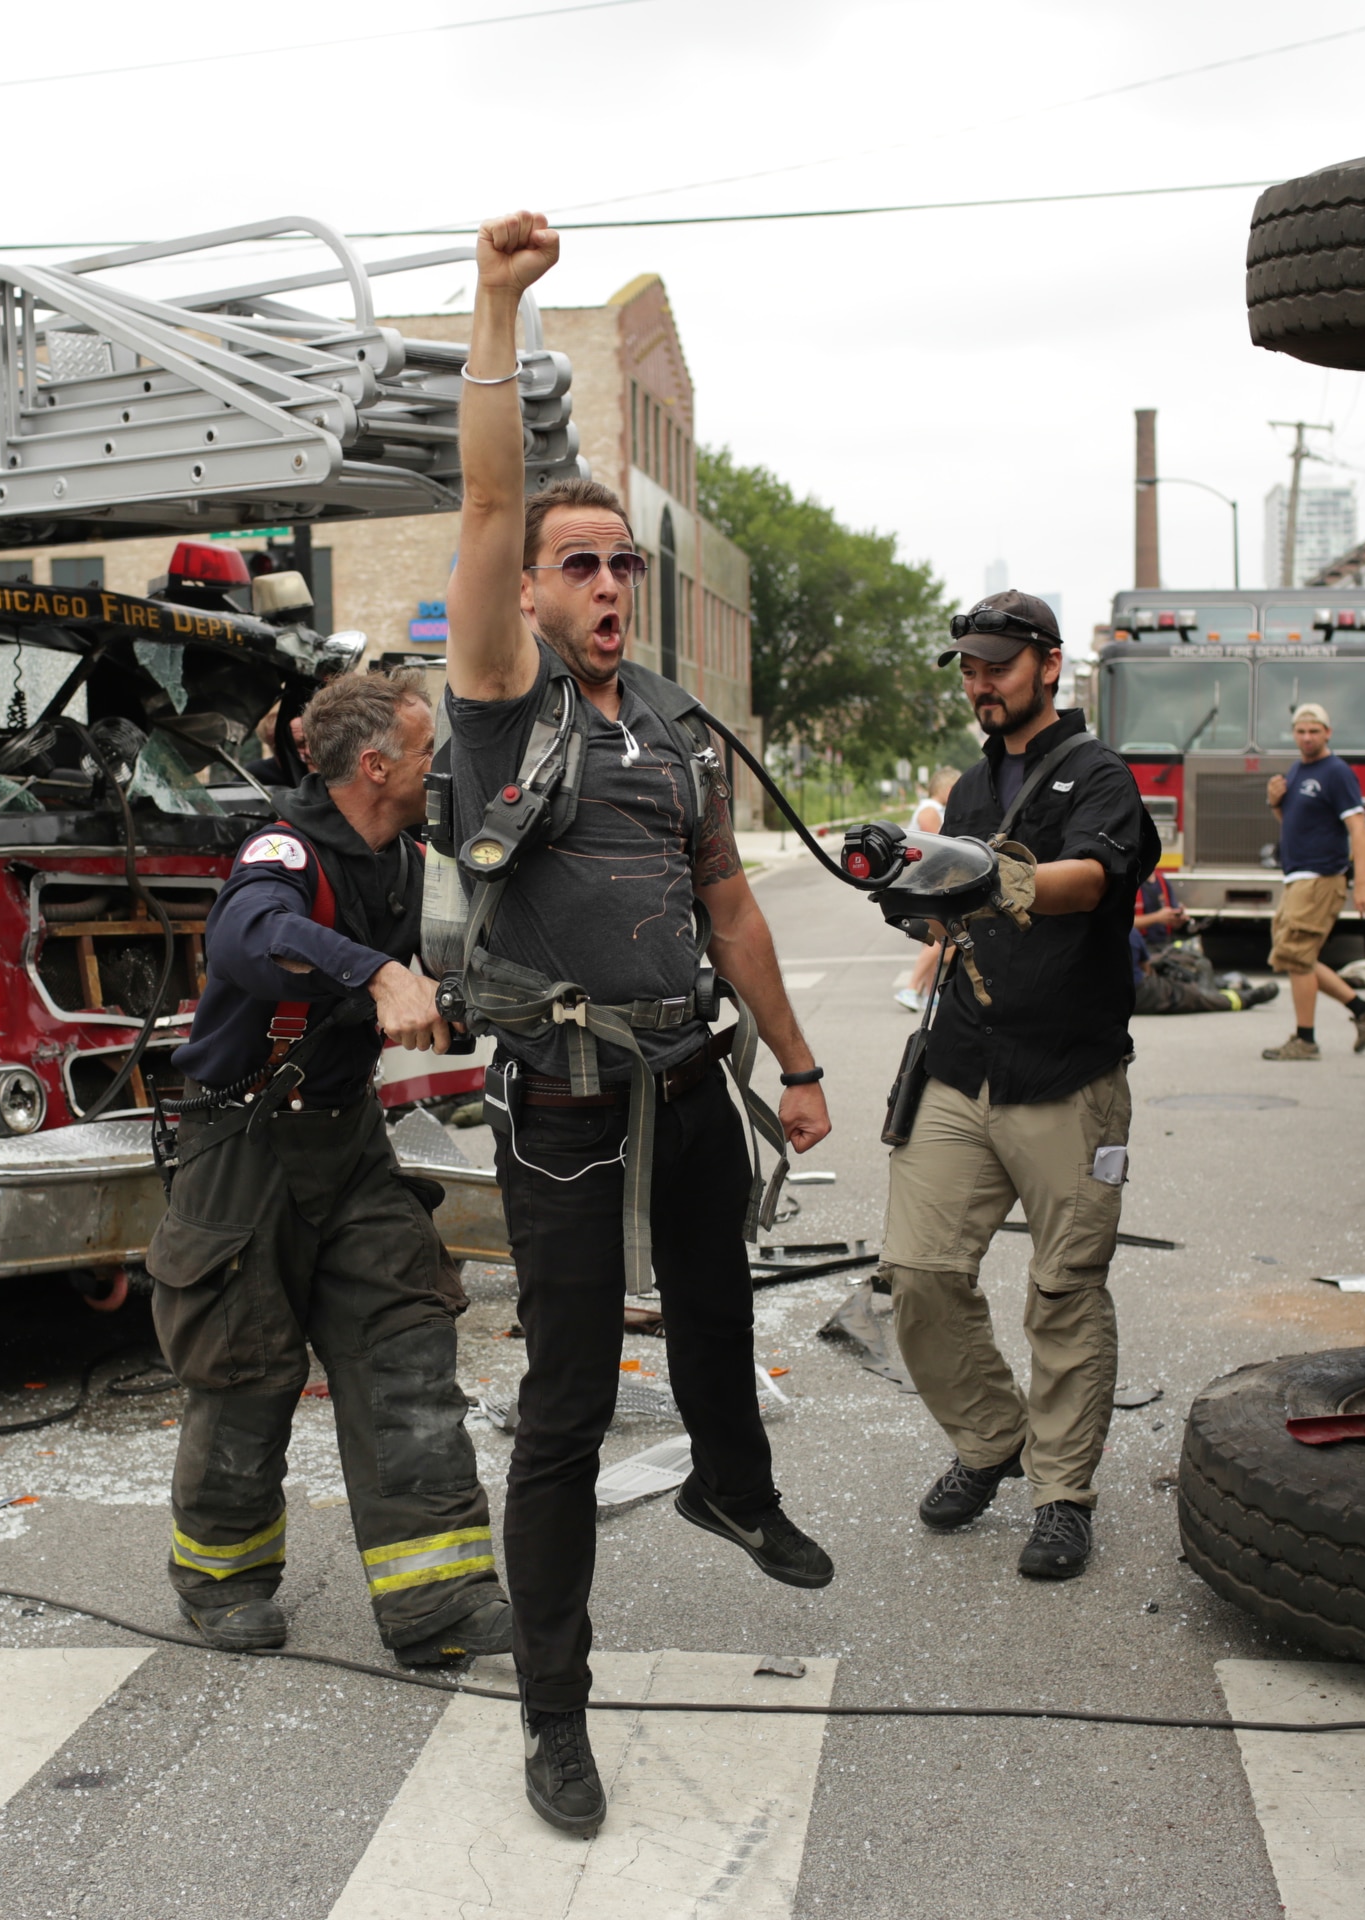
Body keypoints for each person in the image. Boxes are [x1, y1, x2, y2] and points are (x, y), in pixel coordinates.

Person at [447, 210, 834, 1837]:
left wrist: (799, 1065)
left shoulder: (673, 722)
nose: (608, 584)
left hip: (688, 1075)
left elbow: (732, 900)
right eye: (579, 564)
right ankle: (555, 1714)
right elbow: (481, 493)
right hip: (562, 1095)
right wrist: (496, 308)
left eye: (623, 565)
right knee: (571, 1403)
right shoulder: (498, 703)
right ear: (531, 594)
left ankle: (734, 1489)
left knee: (721, 1313)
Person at [146, 671, 514, 1672]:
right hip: (243, 1147)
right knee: (245, 1367)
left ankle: (437, 1595)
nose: (439, 765)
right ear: (374, 764)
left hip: (347, 1143)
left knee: (405, 1344)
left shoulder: (409, 860)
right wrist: (374, 970)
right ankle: (222, 1581)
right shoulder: (284, 850)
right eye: (426, 748)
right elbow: (246, 936)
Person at [877, 589, 1159, 1584]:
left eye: (996, 663)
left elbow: (1093, 877)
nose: (979, 682)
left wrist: (1012, 882)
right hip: (960, 1065)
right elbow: (950, 923)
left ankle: (1062, 1494)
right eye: (967, 666)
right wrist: (910, 901)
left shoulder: (1098, 776)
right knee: (916, 1275)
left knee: (1062, 1289)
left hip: (1066, 1076)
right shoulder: (968, 790)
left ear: (1047, 663)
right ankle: (993, 1439)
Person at [1259, 702, 1365, 1061]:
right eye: (1301, 731)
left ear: (1328, 733)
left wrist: (1362, 882)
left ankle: (1306, 1040)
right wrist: (1274, 803)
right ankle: (1362, 1009)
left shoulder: (1336, 772)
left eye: (1314, 730)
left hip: (1321, 877)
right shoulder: (1297, 770)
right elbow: (1295, 824)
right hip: (1297, 877)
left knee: (1297, 957)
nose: (1307, 736)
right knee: (1297, 955)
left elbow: (1358, 828)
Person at [1130, 871, 1278, 1016]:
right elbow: (1145, 966)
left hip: (1157, 952)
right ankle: (1242, 998)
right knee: (1193, 996)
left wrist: (1177, 918)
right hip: (1141, 975)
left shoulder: (1161, 882)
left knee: (1187, 966)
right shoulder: (1128, 885)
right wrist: (1156, 917)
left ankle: (1225, 984)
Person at [896, 768, 957, 1011]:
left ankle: (932, 994)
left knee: (932, 940)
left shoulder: (931, 808)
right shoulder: (930, 810)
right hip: (927, 883)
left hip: (926, 882)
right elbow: (942, 846)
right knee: (939, 940)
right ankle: (912, 988)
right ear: (947, 789)